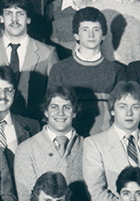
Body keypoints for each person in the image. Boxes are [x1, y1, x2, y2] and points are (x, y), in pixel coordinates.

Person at [83, 81, 140, 201]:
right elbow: (96, 191)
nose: (129, 113)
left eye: (135, 107)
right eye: (123, 107)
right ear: (112, 110)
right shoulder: (94, 143)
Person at [47, 7, 126, 136]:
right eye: (85, 30)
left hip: (106, 141)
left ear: (103, 35)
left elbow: (121, 113)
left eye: (96, 30)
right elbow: (53, 112)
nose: (91, 35)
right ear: (76, 35)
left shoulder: (117, 70)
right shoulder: (60, 69)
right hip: (71, 140)